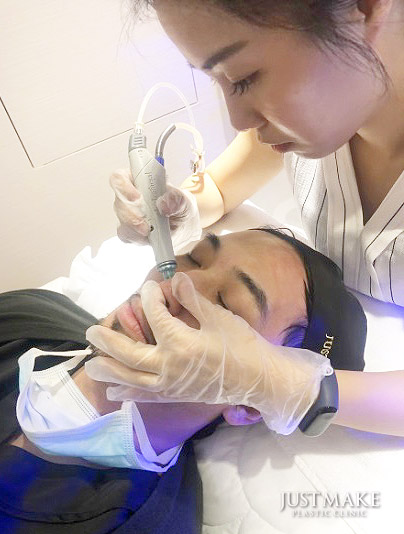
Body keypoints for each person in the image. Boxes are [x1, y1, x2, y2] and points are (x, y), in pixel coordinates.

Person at [94, 0, 404, 438]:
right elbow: (221, 189)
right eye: (215, 79)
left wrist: (290, 386)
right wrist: (175, 211)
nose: (238, 119)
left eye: (242, 77)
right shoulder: (305, 125)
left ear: (364, 7)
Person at [0, 228, 366, 534]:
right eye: (194, 257)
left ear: (248, 405)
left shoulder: (134, 532)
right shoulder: (35, 309)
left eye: (226, 306)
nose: (172, 285)